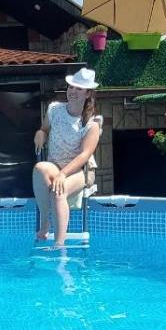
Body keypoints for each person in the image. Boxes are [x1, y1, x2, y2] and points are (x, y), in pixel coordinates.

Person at [32, 67, 101, 249]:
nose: (73, 91)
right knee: (39, 168)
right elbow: (45, 129)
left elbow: (84, 155)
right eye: (71, 87)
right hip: (55, 165)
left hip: (79, 171)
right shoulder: (54, 109)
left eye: (79, 88)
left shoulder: (91, 125)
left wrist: (62, 175)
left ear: (88, 94)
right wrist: (40, 133)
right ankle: (45, 222)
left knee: (58, 191)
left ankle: (59, 243)